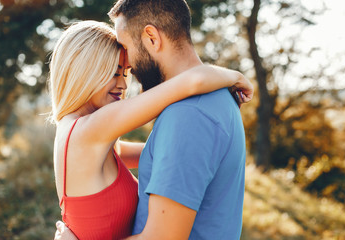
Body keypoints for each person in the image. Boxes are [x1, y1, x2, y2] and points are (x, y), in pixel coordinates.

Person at [51, 19, 253, 240]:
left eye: (125, 73)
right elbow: (192, 82)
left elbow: (153, 154)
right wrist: (237, 77)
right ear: (84, 71)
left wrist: (205, 152)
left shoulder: (78, 133)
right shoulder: (89, 130)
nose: (123, 85)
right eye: (114, 73)